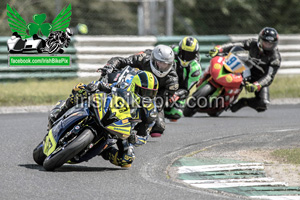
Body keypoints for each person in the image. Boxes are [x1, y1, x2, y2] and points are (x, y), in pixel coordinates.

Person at [48, 71, 159, 168]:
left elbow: (144, 136)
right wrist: (95, 85)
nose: (147, 96)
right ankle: (60, 111)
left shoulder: (150, 112)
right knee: (81, 89)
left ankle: (103, 151)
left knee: (127, 160)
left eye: (151, 93)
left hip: (123, 131)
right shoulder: (125, 86)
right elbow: (106, 86)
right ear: (135, 86)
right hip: (108, 112)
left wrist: (134, 139)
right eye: (145, 92)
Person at [99, 44, 179, 137]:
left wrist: (147, 104)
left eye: (166, 64)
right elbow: (122, 60)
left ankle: (132, 133)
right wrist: (110, 65)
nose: (162, 67)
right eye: (160, 63)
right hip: (132, 85)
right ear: (153, 60)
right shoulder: (143, 59)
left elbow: (161, 101)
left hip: (151, 97)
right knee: (107, 78)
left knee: (158, 127)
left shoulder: (172, 81)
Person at [208, 27, 281, 113]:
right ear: (260, 40)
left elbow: (269, 76)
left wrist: (257, 85)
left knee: (263, 104)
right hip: (245, 68)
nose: (268, 46)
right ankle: (215, 82)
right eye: (266, 43)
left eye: (270, 44)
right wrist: (220, 48)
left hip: (259, 79)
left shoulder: (275, 58)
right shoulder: (252, 43)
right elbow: (236, 44)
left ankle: (242, 102)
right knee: (227, 66)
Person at [164, 36, 202, 121]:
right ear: (180, 50)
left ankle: (161, 112)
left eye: (190, 54)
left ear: (195, 53)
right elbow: (158, 53)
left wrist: (176, 94)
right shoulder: (172, 50)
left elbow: (187, 88)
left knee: (176, 114)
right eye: (185, 53)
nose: (186, 56)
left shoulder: (195, 68)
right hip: (164, 77)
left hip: (180, 86)